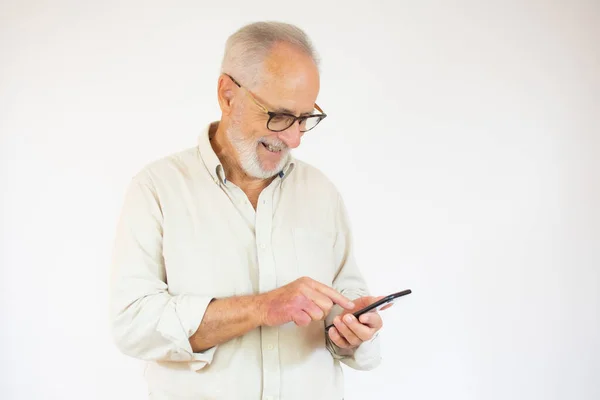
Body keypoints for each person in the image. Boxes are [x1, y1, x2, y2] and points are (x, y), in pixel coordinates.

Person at [109, 21, 385, 400]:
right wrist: (260, 308)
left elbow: (345, 294)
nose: (294, 139)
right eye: (280, 115)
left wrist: (353, 328)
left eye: (305, 118)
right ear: (227, 94)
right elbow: (133, 325)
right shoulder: (157, 188)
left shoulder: (321, 192)